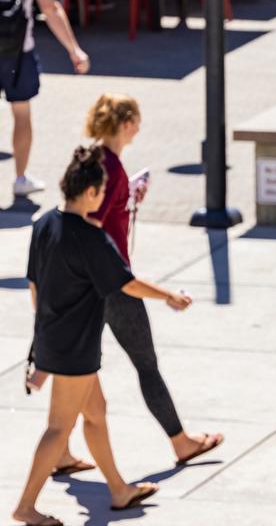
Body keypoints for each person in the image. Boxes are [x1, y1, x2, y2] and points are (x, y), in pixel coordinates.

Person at [27, 94, 223, 476]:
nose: (140, 126)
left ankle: (64, 451)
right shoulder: (110, 170)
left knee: (75, 370)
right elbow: (89, 224)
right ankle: (181, 442)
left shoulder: (95, 159)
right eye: (137, 119)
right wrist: (167, 295)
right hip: (110, 283)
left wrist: (128, 198)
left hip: (92, 283)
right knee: (145, 364)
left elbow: (88, 211)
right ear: (125, 122)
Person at [14, 146, 192, 526]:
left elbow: (34, 286)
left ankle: (118, 489)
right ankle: (26, 507)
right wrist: (170, 296)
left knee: (95, 413)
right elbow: (127, 284)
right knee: (59, 427)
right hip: (75, 348)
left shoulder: (45, 223)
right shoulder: (91, 238)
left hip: (57, 338)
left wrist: (45, 340)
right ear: (92, 193)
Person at [2, 0, 89, 196]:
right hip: (19, 52)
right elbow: (50, 10)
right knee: (22, 113)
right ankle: (20, 179)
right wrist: (74, 50)